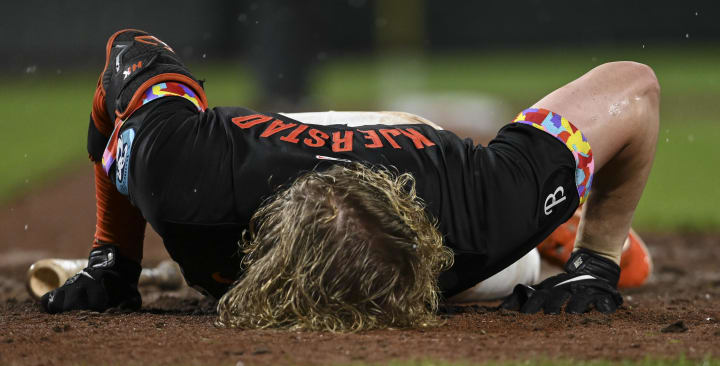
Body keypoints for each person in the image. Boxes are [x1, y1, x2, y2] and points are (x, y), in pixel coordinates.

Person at [41, 29, 659, 331]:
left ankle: (558, 235)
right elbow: (131, 49)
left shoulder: (479, 210)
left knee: (514, 268)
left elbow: (635, 88)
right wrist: (111, 259)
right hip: (263, 146)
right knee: (506, 259)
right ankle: (554, 230)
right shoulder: (187, 172)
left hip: (423, 154)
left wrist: (596, 261)